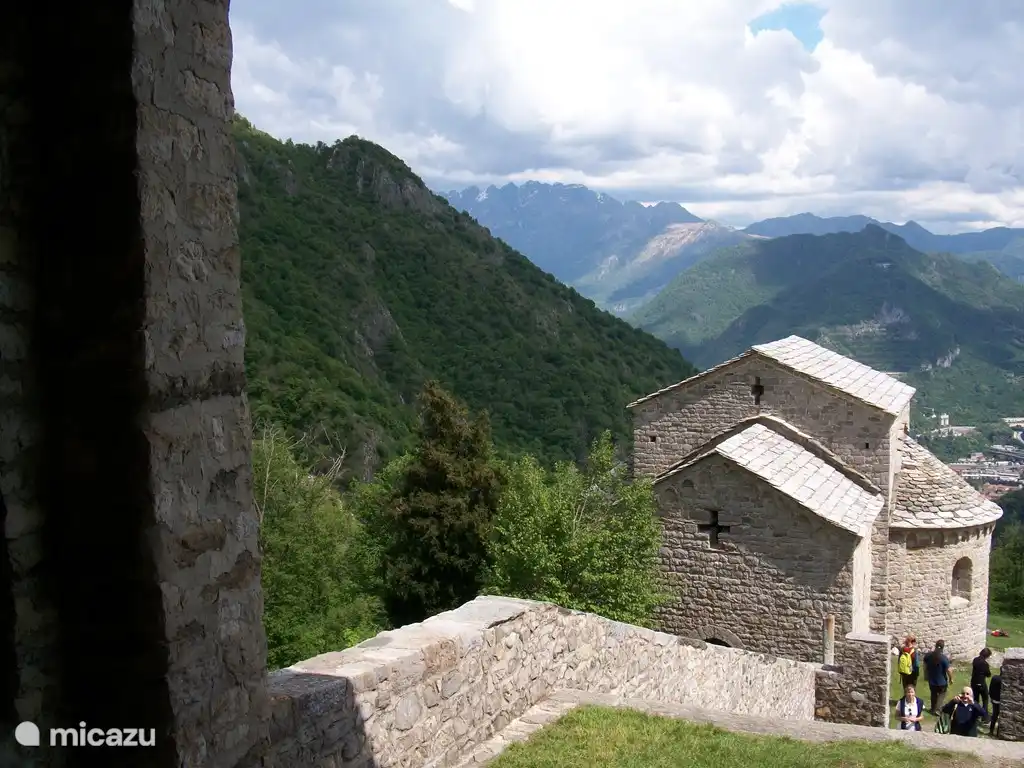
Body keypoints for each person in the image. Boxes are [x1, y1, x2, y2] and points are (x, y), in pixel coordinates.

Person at [923, 639, 953, 715]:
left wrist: (925, 675)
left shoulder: (928, 656)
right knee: (942, 694)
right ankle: (938, 709)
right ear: (943, 648)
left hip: (932, 680)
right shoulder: (944, 658)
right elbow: (949, 670)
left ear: (935, 646)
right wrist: (951, 679)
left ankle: (933, 709)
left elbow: (925, 666)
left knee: (933, 694)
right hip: (942, 681)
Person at [970, 648, 993, 712]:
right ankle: (984, 715)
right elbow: (988, 674)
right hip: (981, 683)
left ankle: (975, 714)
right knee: (985, 699)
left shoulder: (975, 660)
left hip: (974, 682)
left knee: (975, 700)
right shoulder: (985, 664)